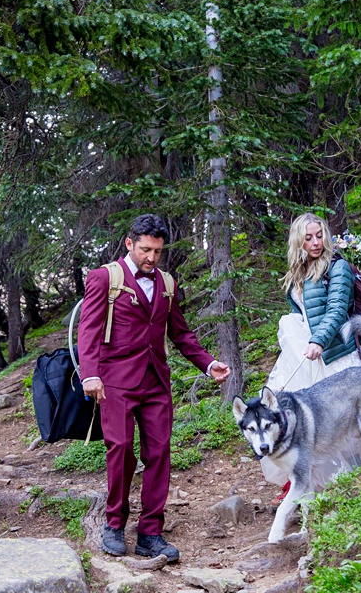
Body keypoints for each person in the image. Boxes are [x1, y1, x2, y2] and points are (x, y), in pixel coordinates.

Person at [78, 214, 230, 562]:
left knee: (159, 454)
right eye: (146, 250)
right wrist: (91, 375)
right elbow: (87, 330)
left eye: (158, 252)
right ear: (129, 244)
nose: (151, 257)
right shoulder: (104, 278)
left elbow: (180, 333)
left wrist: (208, 364)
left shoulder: (167, 284)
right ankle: (114, 523)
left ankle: (150, 532)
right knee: (121, 449)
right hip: (114, 381)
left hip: (156, 382)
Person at [261, 212, 361, 497]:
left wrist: (319, 341)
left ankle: (357, 483)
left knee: (342, 422)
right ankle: (313, 486)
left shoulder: (338, 267)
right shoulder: (300, 271)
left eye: (319, 235)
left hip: (333, 354)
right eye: (308, 238)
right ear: (299, 241)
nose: (316, 242)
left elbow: (336, 310)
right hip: (306, 352)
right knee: (304, 422)